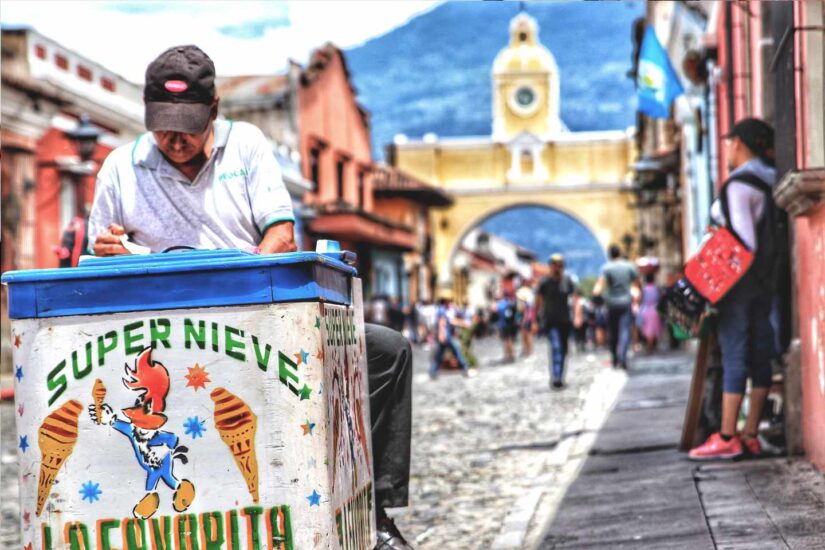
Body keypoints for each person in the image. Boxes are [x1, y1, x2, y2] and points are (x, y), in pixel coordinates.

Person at [87, 45, 414, 549]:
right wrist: (107, 251)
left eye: (188, 125)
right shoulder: (120, 168)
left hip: (251, 317)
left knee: (387, 350)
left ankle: (371, 506)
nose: (175, 139)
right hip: (156, 336)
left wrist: (251, 277)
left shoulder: (247, 148)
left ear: (214, 109)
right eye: (163, 125)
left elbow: (280, 233)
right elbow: (96, 257)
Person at [689, 118, 780, 461]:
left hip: (738, 285)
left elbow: (745, 240)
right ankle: (751, 433)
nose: (727, 150)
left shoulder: (739, 185)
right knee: (759, 355)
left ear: (739, 143)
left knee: (734, 354)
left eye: (729, 143)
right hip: (765, 281)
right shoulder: (771, 178)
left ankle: (728, 434)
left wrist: (711, 278)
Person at [593, 244, 640, 369]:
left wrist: (597, 295)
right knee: (624, 330)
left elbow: (599, 286)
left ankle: (614, 358)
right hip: (626, 302)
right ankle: (622, 357)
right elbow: (637, 283)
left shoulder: (606, 268)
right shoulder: (629, 266)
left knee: (613, 332)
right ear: (619, 253)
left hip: (611, 303)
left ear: (609, 255)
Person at [535, 253, 576, 389]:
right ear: (550, 266)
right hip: (550, 321)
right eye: (554, 265)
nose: (556, 268)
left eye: (559, 265)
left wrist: (577, 316)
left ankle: (560, 376)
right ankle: (556, 377)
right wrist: (536, 319)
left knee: (564, 349)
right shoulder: (544, 282)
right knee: (556, 347)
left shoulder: (567, 281)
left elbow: (575, 298)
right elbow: (538, 301)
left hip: (565, 321)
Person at [429, 293, 471, 378]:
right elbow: (442, 323)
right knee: (456, 351)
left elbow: (451, 321)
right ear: (445, 302)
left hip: (444, 336)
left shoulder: (441, 310)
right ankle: (466, 368)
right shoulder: (442, 310)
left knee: (439, 355)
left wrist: (463, 324)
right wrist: (442, 335)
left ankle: (433, 372)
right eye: (450, 301)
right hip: (445, 336)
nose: (451, 303)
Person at [637, 272, 663, 352]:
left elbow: (640, 299)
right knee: (655, 328)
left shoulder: (644, 288)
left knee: (648, 329)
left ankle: (649, 345)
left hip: (646, 309)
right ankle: (653, 345)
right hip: (656, 309)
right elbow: (660, 297)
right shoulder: (656, 288)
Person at [495, 291, 518, 363]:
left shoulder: (501, 304)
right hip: (510, 324)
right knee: (509, 340)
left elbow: (496, 311)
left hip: (503, 324)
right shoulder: (509, 302)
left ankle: (509, 355)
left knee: (506, 340)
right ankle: (511, 355)